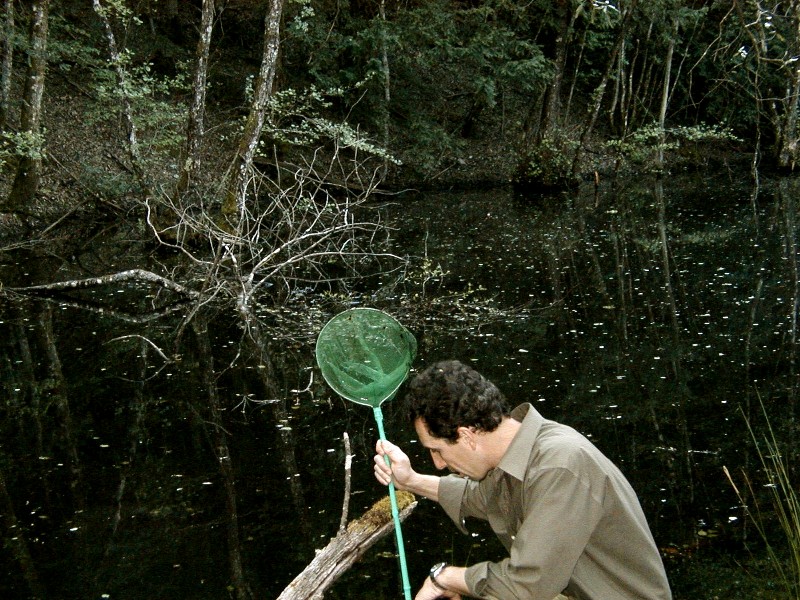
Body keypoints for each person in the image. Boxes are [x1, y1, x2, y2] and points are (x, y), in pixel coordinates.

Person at [373, 360, 672, 600]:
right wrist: (410, 480)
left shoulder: (558, 465)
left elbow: (528, 585)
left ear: (466, 435)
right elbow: (475, 498)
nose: (438, 464)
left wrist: (446, 578)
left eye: (437, 451)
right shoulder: (516, 455)